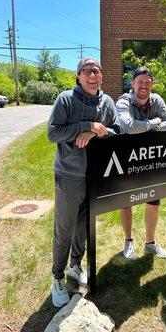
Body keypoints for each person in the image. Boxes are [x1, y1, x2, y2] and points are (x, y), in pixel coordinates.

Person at [48, 57, 120, 307]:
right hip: (70, 175)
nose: (93, 75)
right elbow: (53, 133)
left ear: (101, 76)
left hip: (96, 177)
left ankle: (76, 266)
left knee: (84, 226)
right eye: (87, 71)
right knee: (65, 228)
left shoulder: (107, 102)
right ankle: (57, 277)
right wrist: (86, 125)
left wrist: (97, 132)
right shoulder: (66, 99)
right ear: (78, 76)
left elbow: (117, 129)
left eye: (97, 71)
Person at [116, 66, 166, 260]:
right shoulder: (124, 101)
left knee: (153, 199)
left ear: (152, 84)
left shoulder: (156, 100)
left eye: (148, 83)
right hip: (127, 158)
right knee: (125, 201)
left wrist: (151, 127)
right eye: (140, 82)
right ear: (132, 84)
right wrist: (154, 123)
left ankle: (150, 243)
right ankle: (128, 242)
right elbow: (128, 126)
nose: (144, 86)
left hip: (150, 159)